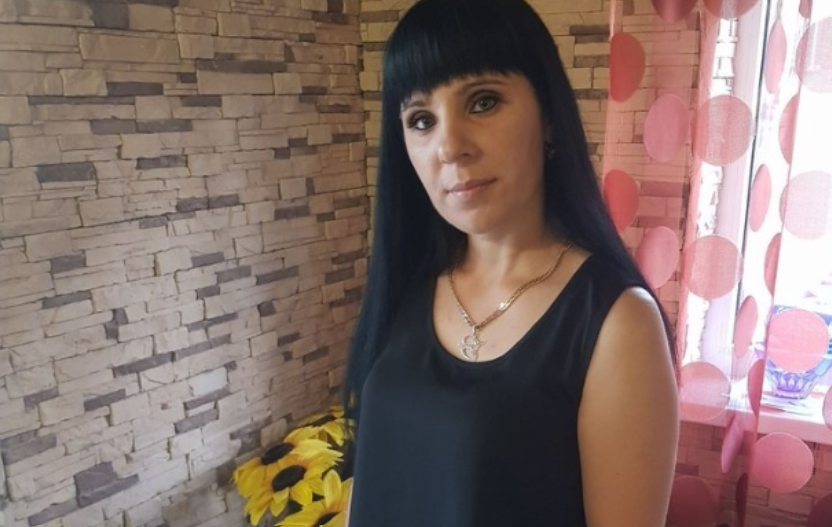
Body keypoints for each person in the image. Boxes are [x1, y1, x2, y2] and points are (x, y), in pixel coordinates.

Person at [342, 0, 679, 525]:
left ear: (549, 118)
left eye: (483, 101)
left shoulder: (616, 323)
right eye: (421, 119)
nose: (449, 147)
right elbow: (370, 481)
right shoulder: (407, 283)